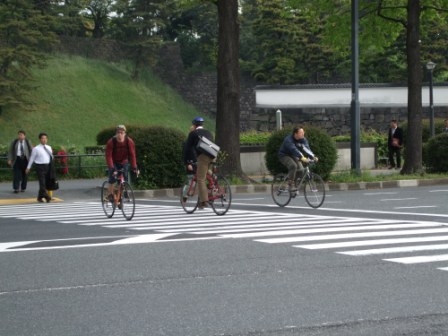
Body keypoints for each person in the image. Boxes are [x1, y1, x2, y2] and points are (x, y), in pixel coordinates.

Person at [183, 117, 215, 209]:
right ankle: (214, 184)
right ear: (202, 125)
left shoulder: (193, 133)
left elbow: (187, 148)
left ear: (194, 125)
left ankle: (204, 201)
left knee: (200, 179)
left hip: (203, 156)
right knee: (207, 173)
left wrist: (186, 161)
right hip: (213, 155)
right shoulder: (208, 132)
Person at [278, 127, 318, 191]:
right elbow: (294, 149)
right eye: (301, 133)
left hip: (293, 155)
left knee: (301, 170)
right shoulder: (288, 140)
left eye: (303, 132)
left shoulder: (303, 139)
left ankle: (293, 182)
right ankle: (290, 185)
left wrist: (313, 156)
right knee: (293, 166)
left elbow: (307, 148)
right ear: (295, 134)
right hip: (284, 155)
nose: (303, 134)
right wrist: (302, 157)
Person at [105, 125, 138, 200]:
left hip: (124, 161)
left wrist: (134, 166)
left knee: (124, 178)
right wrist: (111, 167)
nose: (120, 134)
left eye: (122, 133)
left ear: (125, 133)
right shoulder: (111, 142)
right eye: (118, 132)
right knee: (112, 177)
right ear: (116, 133)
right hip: (113, 161)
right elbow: (108, 156)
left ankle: (121, 195)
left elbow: (132, 155)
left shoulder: (129, 141)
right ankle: (110, 194)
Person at [25, 132, 53, 202]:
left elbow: (51, 157)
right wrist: (28, 167)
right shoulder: (36, 149)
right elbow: (32, 158)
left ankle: (39, 197)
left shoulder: (49, 147)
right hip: (40, 167)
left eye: (45, 138)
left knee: (45, 183)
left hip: (48, 166)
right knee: (42, 183)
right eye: (42, 138)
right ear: (40, 139)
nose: (44, 140)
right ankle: (47, 197)